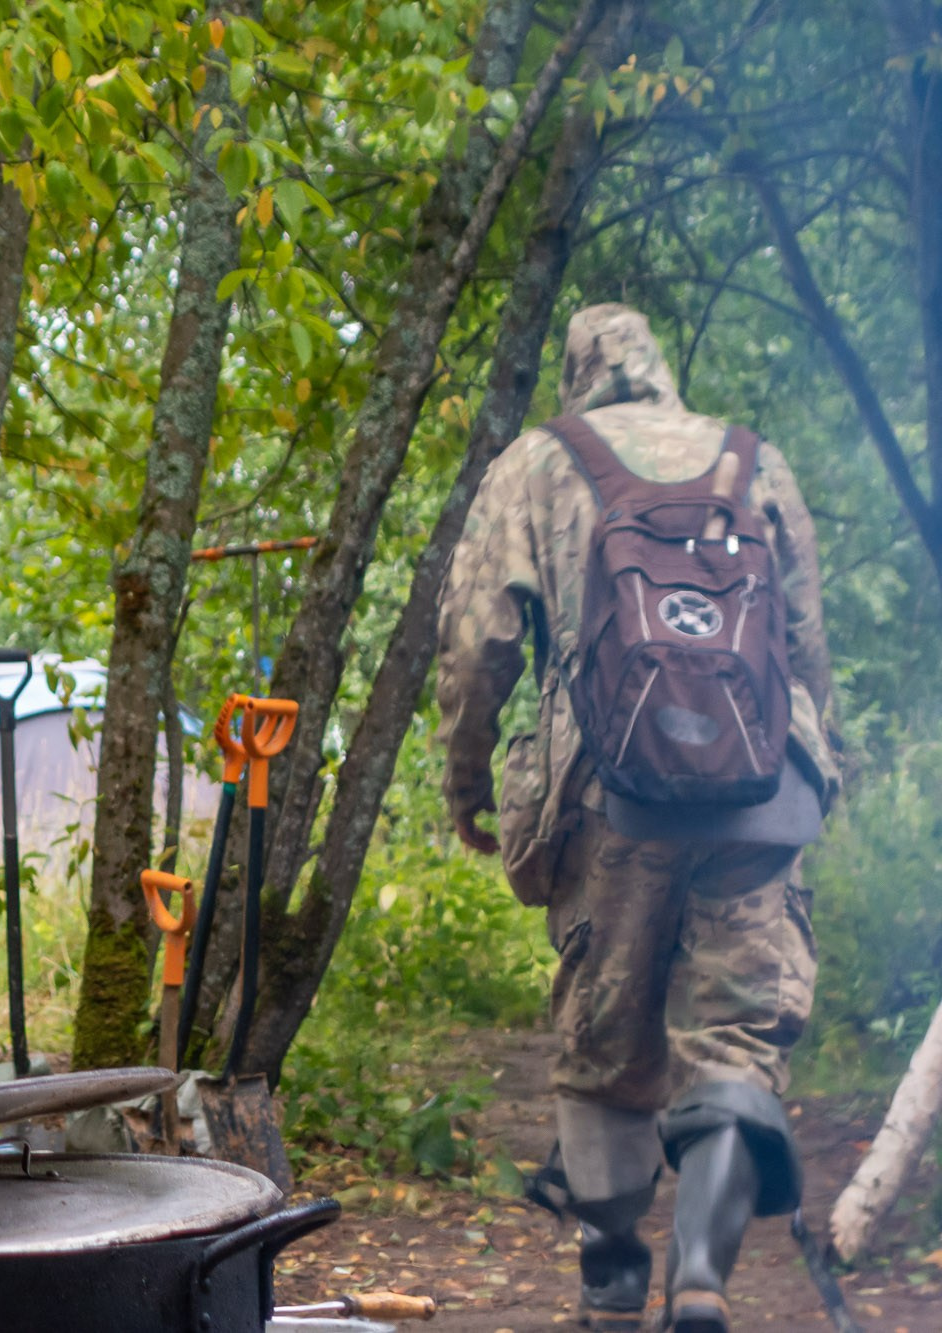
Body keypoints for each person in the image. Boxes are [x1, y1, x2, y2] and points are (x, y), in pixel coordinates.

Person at [436, 305, 837, 1333]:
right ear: (657, 367)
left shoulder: (541, 460)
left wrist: (467, 782)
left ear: (575, 373)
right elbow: (801, 644)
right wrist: (816, 770)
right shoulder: (753, 460)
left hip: (608, 791)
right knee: (737, 1036)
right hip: (759, 789)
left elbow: (477, 641)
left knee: (605, 1038)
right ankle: (699, 1278)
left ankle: (612, 1282)